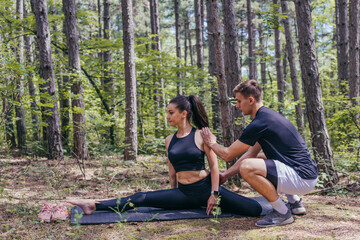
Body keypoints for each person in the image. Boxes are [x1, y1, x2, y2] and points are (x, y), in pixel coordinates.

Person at [67, 95, 262, 217]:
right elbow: (172, 171)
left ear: (184, 113)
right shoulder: (169, 139)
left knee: (255, 210)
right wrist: (172, 195)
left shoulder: (201, 135)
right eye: (167, 113)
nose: (167, 116)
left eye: (171, 113)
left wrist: (214, 194)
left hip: (204, 190)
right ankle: (93, 205)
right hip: (183, 193)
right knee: (140, 197)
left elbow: (214, 167)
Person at [200, 80, 318, 227]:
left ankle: (282, 212)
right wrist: (227, 175)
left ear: (251, 100)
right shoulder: (268, 117)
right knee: (260, 158)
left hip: (301, 178)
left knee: (247, 167)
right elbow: (251, 154)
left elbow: (227, 154)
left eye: (238, 101)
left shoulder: (259, 123)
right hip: (307, 175)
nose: (237, 106)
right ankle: (295, 203)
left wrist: (211, 143)